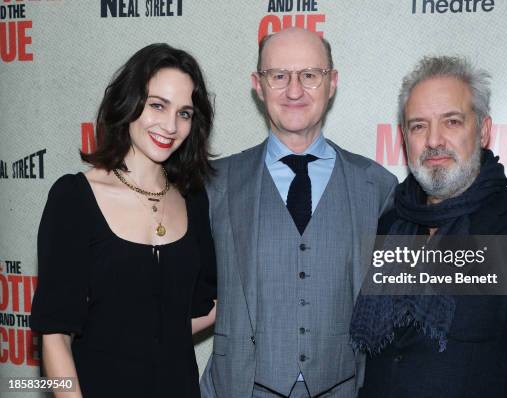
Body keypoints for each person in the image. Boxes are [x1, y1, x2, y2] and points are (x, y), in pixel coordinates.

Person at [350, 56, 507, 397]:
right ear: (404, 138)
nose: (433, 140)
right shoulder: (388, 225)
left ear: (484, 131)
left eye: (452, 122)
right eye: (418, 125)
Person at [199, 28, 397, 398]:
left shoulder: (377, 187)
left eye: (309, 75)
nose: (294, 91)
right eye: (278, 76)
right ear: (258, 84)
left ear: (332, 82)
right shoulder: (215, 185)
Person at [30, 43, 217, 398]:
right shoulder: (75, 198)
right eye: (157, 105)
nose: (171, 125)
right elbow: (55, 335)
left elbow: (195, 311)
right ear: (129, 102)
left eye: (185, 113)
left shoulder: (193, 199)